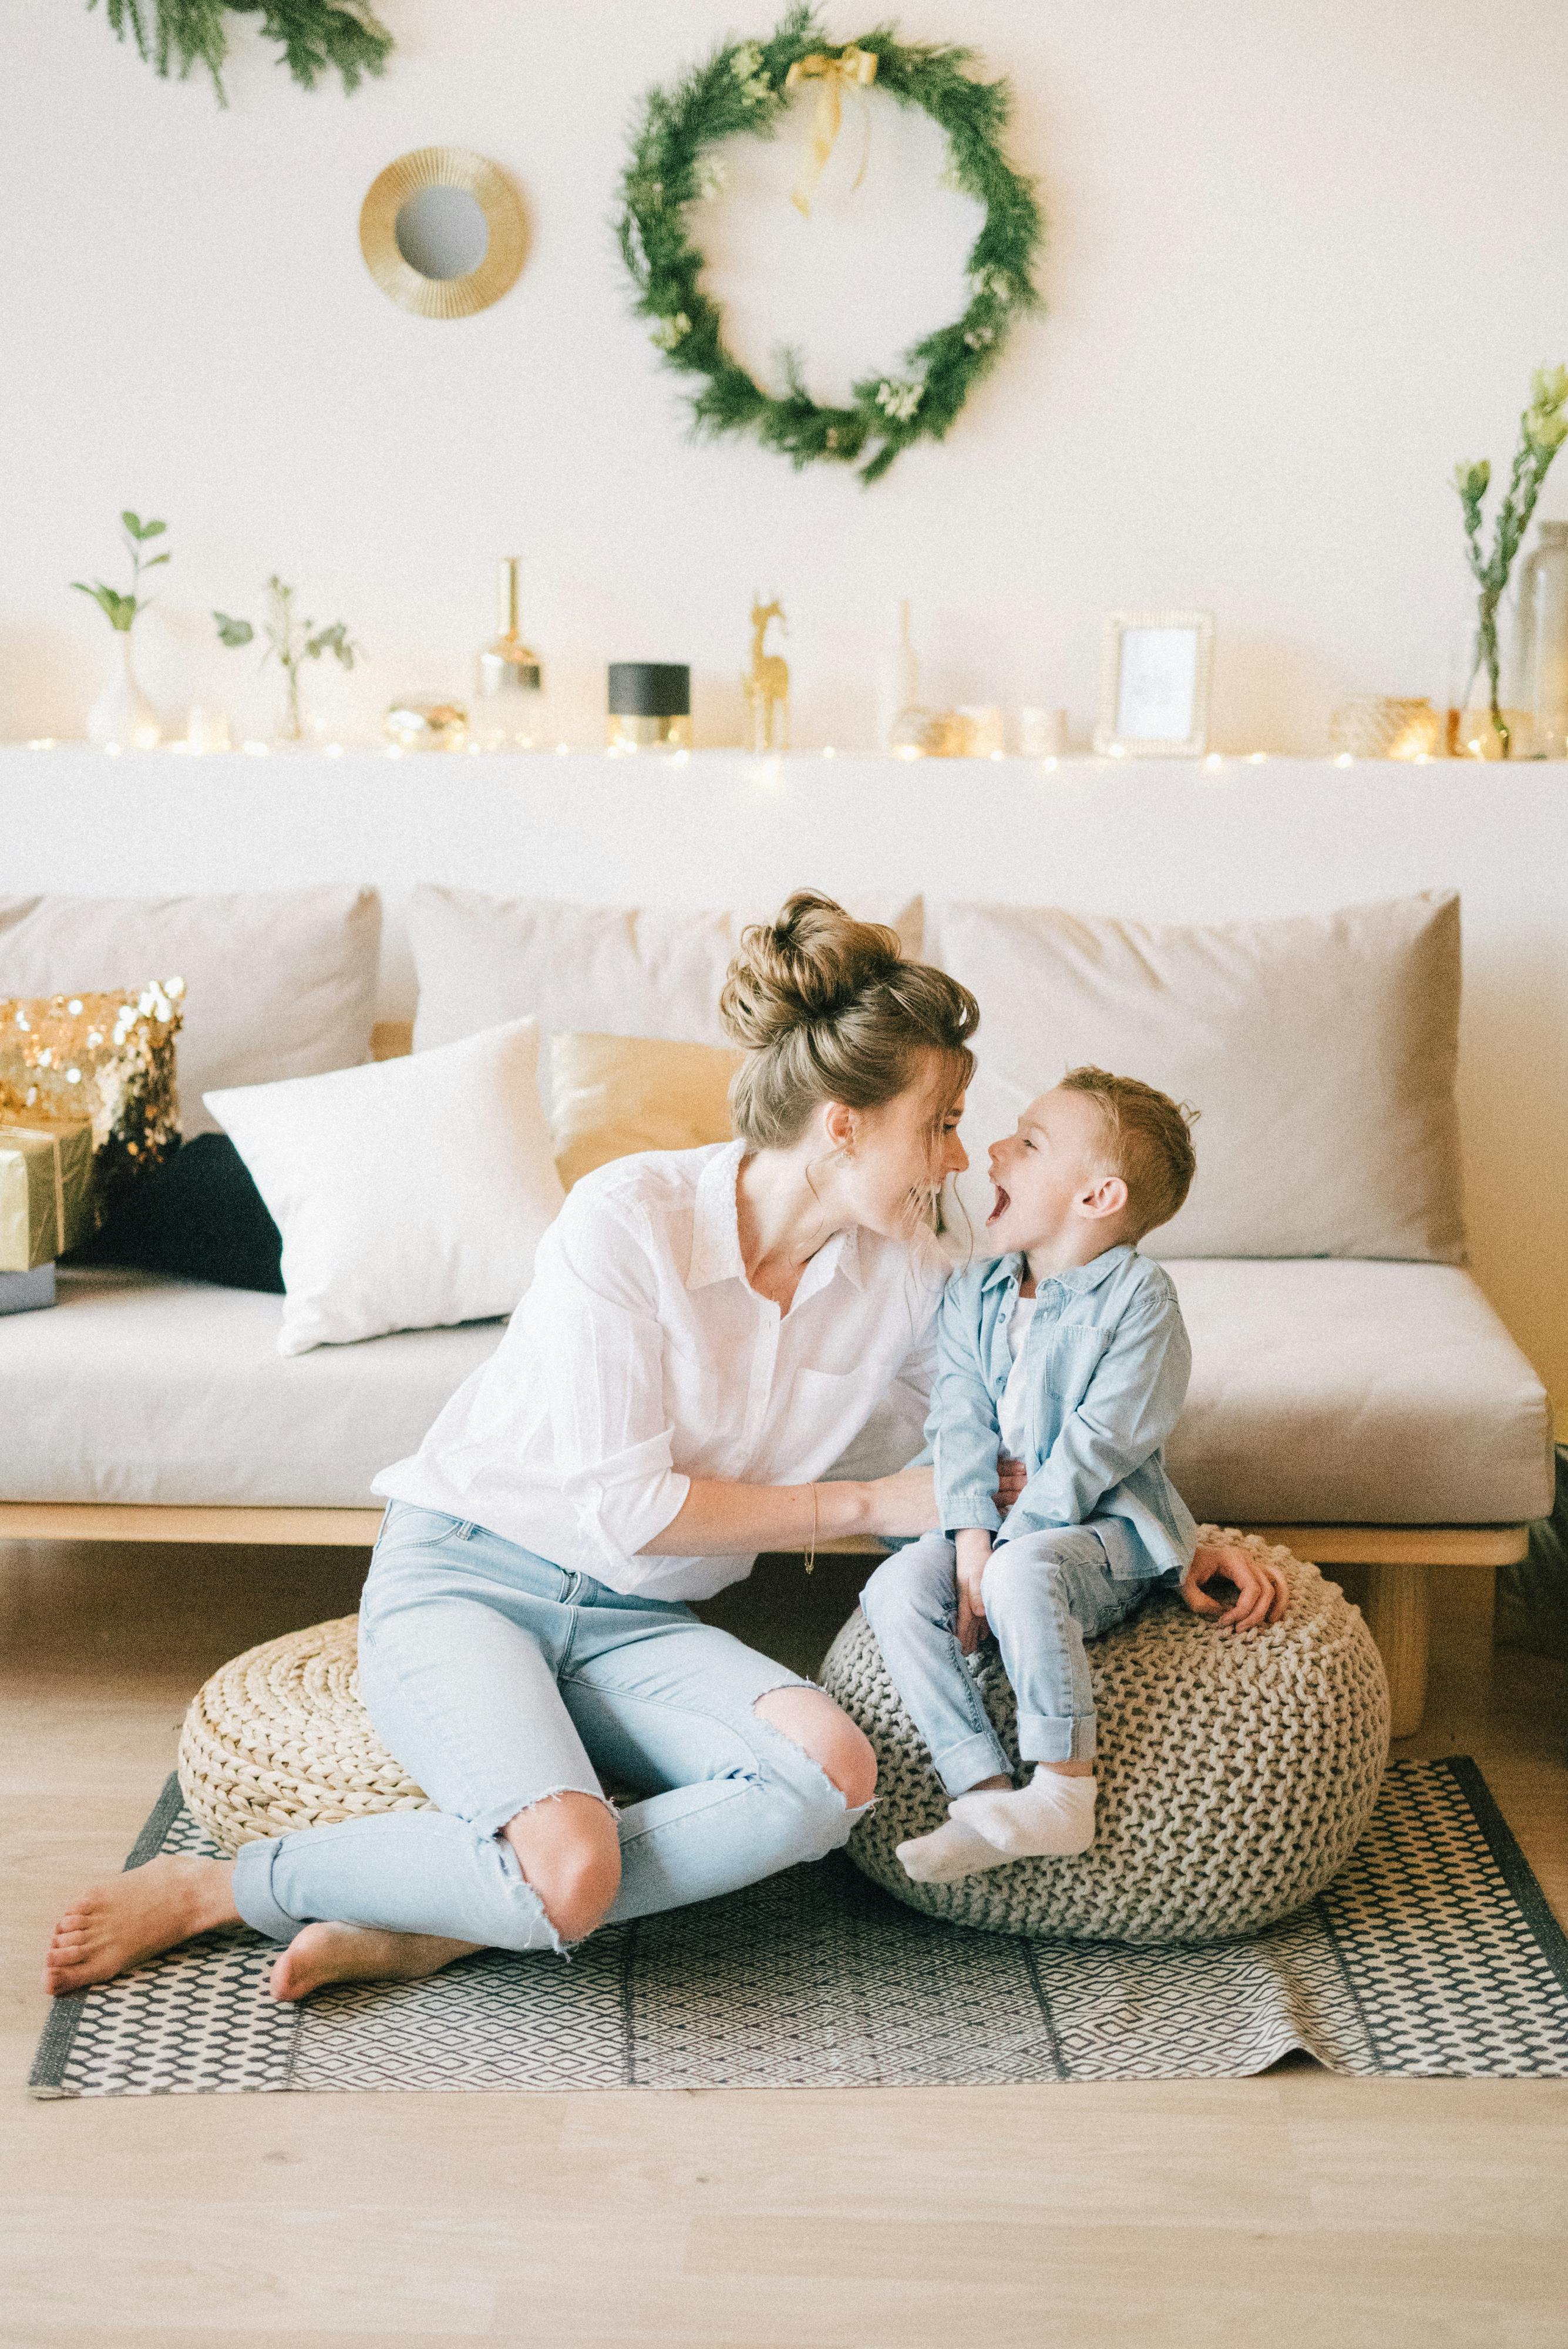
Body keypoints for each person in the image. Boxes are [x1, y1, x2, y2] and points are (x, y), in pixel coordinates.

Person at [44, 903, 1272, 2001]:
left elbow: (1031, 1430)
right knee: (577, 1859)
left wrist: (1173, 1534)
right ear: (844, 1127)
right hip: (472, 1576)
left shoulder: (911, 1276)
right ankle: (233, 1884)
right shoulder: (627, 1220)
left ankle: (465, 1920)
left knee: (827, 1777)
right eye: (943, 1123)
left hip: (636, 1625)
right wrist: (869, 1496)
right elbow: (631, 1506)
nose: (962, 1155)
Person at [862, 1068, 1288, 1886]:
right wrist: (967, 1548)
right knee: (893, 1589)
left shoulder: (1139, 1299)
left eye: (1026, 1143)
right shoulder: (973, 1289)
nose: (990, 1149)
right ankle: (982, 1798)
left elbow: (1099, 1447)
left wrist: (1004, 1548)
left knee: (1022, 1569)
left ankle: (1061, 1789)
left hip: (1096, 1538)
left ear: (1096, 1198)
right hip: (990, 1524)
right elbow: (958, 1423)